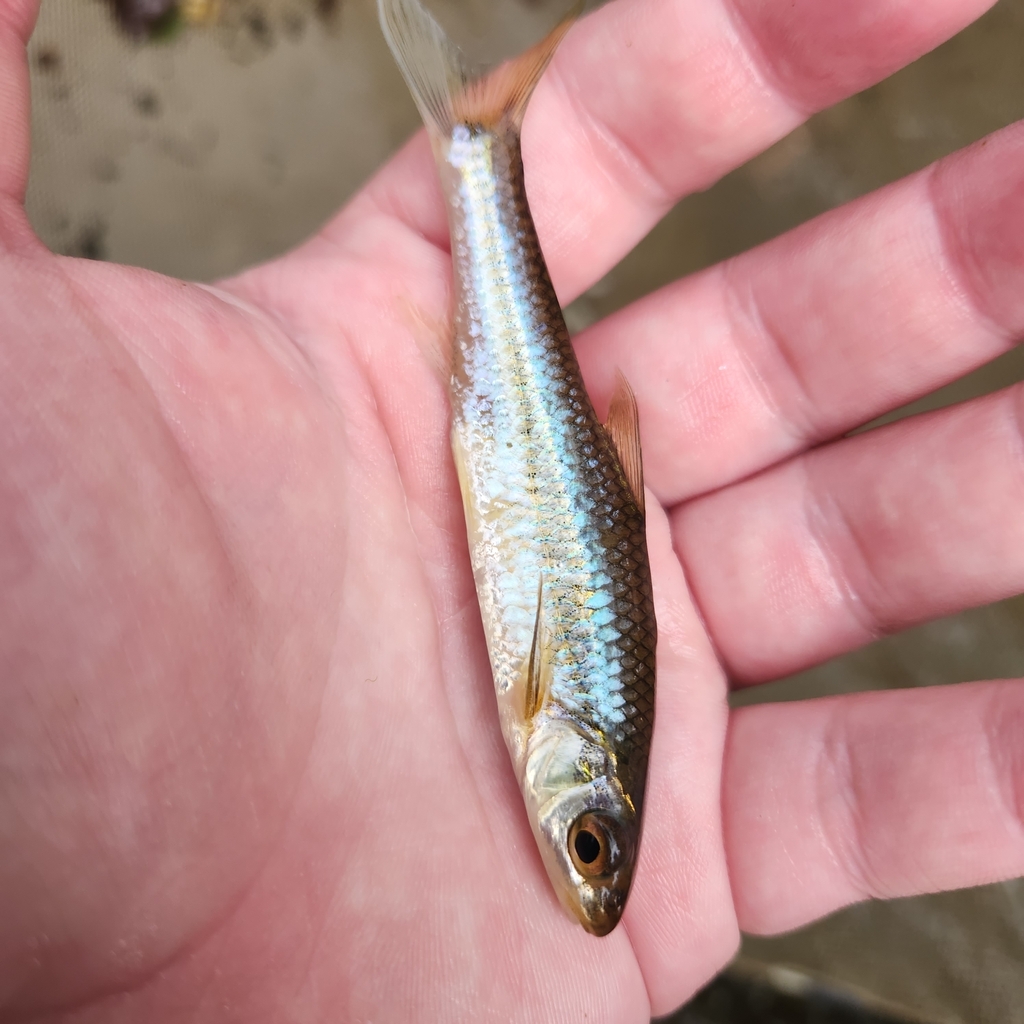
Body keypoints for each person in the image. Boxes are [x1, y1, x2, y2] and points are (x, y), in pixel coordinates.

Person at [1, 0, 1022, 1017]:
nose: (571, 856)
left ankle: (478, 144)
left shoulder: (582, 725)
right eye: (587, 840)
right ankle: (478, 147)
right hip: (522, 442)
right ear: (590, 777)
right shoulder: (567, 716)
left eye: (586, 846)